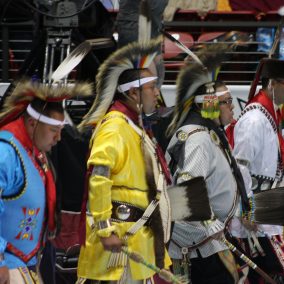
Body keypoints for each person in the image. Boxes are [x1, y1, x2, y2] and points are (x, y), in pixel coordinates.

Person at [76, 38, 172, 282]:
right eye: (152, 87)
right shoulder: (115, 127)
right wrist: (105, 229)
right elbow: (99, 177)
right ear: (133, 92)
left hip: (141, 238)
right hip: (122, 237)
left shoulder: (133, 126)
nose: (157, 93)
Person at [165, 45, 249, 284]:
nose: (232, 106)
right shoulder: (198, 138)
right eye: (227, 101)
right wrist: (214, 230)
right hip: (198, 242)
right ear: (210, 104)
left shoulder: (209, 133)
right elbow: (188, 192)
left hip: (209, 237)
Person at [0, 80, 91, 283]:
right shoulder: (5, 153)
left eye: (60, 129)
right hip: (9, 264)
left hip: (29, 262)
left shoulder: (33, 151)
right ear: (33, 124)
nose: (59, 137)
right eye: (53, 130)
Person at [226, 58, 284, 283]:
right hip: (254, 213)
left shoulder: (270, 116)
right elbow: (240, 168)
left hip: (268, 208)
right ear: (271, 85)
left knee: (270, 274)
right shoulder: (254, 120)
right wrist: (248, 210)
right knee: (277, 273)